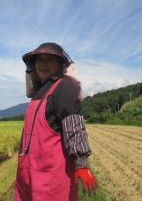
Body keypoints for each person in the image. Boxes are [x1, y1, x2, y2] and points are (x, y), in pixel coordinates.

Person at [14, 42, 97, 201]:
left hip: (51, 175)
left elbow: (74, 125)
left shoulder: (64, 86)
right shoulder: (40, 92)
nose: (43, 64)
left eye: (49, 60)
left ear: (59, 65)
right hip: (30, 171)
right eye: (39, 60)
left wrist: (81, 163)